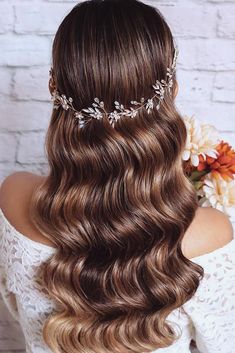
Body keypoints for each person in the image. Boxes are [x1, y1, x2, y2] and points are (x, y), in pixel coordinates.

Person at [0, 0, 234, 352]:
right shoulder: (208, 234)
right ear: (172, 90)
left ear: (53, 87)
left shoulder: (13, 198)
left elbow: (16, 312)